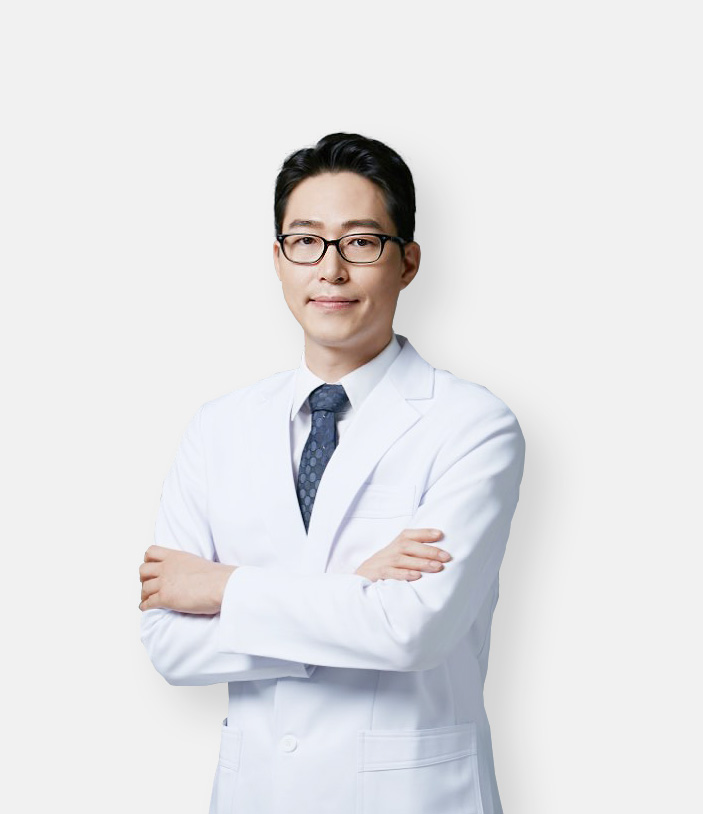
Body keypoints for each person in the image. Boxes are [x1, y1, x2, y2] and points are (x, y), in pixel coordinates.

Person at [139, 132, 526, 814]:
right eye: (306, 242)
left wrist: (223, 589)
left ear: (407, 262)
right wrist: (353, 593)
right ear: (278, 259)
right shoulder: (217, 427)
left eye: (361, 242)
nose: (330, 269)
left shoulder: (472, 425)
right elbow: (170, 646)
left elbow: (411, 632)